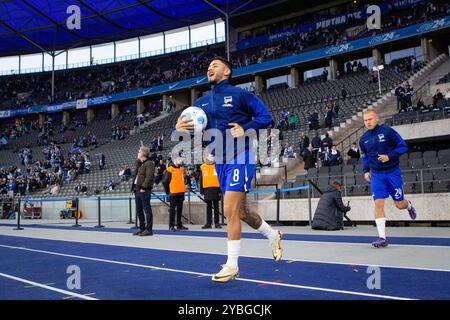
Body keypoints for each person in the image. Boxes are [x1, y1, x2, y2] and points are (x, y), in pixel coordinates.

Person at [176, 56, 282, 283]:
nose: (209, 67)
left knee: (229, 210)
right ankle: (272, 235)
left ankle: (232, 265)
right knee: (240, 212)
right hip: (220, 162)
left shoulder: (240, 95)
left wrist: (246, 127)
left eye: (215, 65)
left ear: (227, 72)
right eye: (208, 65)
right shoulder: (201, 104)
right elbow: (200, 133)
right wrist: (181, 128)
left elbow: (265, 117)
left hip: (241, 155)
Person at [359, 110, 417, 248]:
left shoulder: (388, 132)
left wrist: (389, 156)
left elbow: (403, 146)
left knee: (399, 204)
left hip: (392, 173)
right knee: (378, 204)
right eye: (365, 120)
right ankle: (382, 238)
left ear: (377, 119)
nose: (368, 122)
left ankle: (408, 205)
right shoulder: (363, 139)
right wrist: (366, 170)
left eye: (370, 119)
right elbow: (365, 157)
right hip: (377, 176)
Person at [131, 146, 155, 236]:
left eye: (139, 151)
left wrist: (143, 187)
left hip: (144, 190)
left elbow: (149, 177)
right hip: (137, 190)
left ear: (143, 153)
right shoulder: (140, 164)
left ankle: (149, 230)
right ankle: (142, 229)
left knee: (147, 210)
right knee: (139, 210)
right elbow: (136, 177)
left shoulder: (149, 163)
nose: (137, 153)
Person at [162, 157, 189, 232]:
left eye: (181, 159)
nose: (180, 160)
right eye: (179, 159)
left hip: (181, 192)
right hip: (173, 193)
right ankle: (171, 225)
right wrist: (168, 192)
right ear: (174, 160)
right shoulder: (170, 169)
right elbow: (165, 182)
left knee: (180, 209)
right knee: (172, 210)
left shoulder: (181, 169)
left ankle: (179, 225)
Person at [200, 154, 222, 229]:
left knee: (216, 207)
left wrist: (221, 189)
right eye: (210, 157)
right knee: (208, 207)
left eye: (212, 157)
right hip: (207, 189)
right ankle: (208, 223)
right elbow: (201, 179)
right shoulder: (203, 167)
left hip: (216, 188)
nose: (211, 158)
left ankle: (217, 223)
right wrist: (201, 190)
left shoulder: (217, 166)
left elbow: (220, 177)